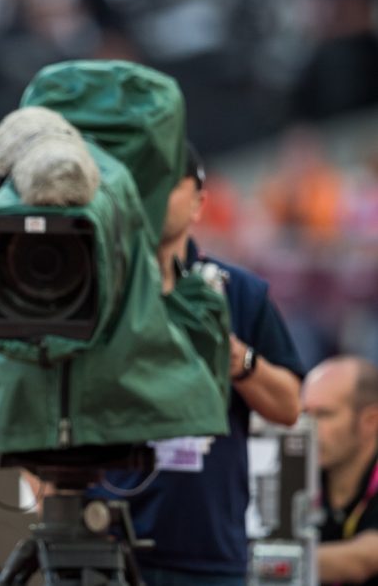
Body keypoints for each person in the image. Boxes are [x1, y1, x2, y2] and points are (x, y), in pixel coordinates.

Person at [99, 142, 305, 585]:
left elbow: (290, 406)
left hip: (208, 554)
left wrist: (236, 358)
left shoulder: (239, 293)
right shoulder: (97, 293)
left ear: (199, 202)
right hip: (101, 547)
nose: (154, 194)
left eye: (170, 183)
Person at [303, 356, 378, 586]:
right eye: (304, 414)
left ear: (370, 421)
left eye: (323, 414)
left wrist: (274, 561)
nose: (307, 427)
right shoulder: (298, 472)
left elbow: (365, 559)